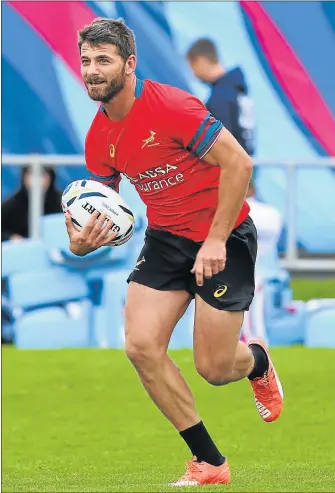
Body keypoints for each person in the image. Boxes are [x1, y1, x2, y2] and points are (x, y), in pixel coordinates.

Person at [65, 18, 284, 487]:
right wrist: (80, 243)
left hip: (224, 235)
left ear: (130, 63)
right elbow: (103, 207)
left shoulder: (170, 106)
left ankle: (258, 362)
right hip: (166, 239)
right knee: (140, 346)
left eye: (103, 60)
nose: (92, 70)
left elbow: (239, 164)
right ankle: (209, 463)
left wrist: (216, 239)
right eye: (86, 61)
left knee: (215, 368)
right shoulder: (97, 138)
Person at [186, 38, 255, 156]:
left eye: (193, 67)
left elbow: (222, 143)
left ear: (201, 61)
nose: (194, 74)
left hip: (231, 169)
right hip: (246, 163)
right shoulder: (236, 89)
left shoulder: (220, 98)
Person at [241, 179, 283, 342]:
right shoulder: (270, 212)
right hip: (246, 270)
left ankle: (255, 346)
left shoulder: (263, 212)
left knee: (252, 317)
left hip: (252, 271)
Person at [2, 166, 62, 241]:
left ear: (51, 177)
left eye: (42, 175)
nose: (37, 180)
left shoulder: (62, 202)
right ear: (24, 177)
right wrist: (11, 238)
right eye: (31, 175)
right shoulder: (12, 204)